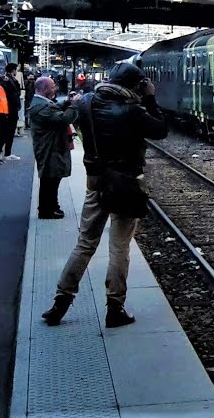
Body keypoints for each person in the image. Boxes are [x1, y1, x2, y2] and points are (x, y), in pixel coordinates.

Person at [41, 63, 168, 328]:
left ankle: (60, 301)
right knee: (119, 248)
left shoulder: (87, 103)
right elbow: (161, 130)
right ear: (136, 86)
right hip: (126, 184)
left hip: (96, 183)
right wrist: (151, 98)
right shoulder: (134, 111)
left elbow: (68, 110)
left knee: (85, 243)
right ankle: (115, 309)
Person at [29, 78, 78, 219]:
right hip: (49, 148)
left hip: (51, 146)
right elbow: (63, 119)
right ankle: (46, 210)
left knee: (52, 178)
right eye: (52, 87)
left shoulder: (41, 103)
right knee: (50, 179)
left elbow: (54, 108)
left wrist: (67, 102)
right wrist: (73, 106)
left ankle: (52, 206)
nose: (55, 89)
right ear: (44, 89)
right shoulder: (40, 107)